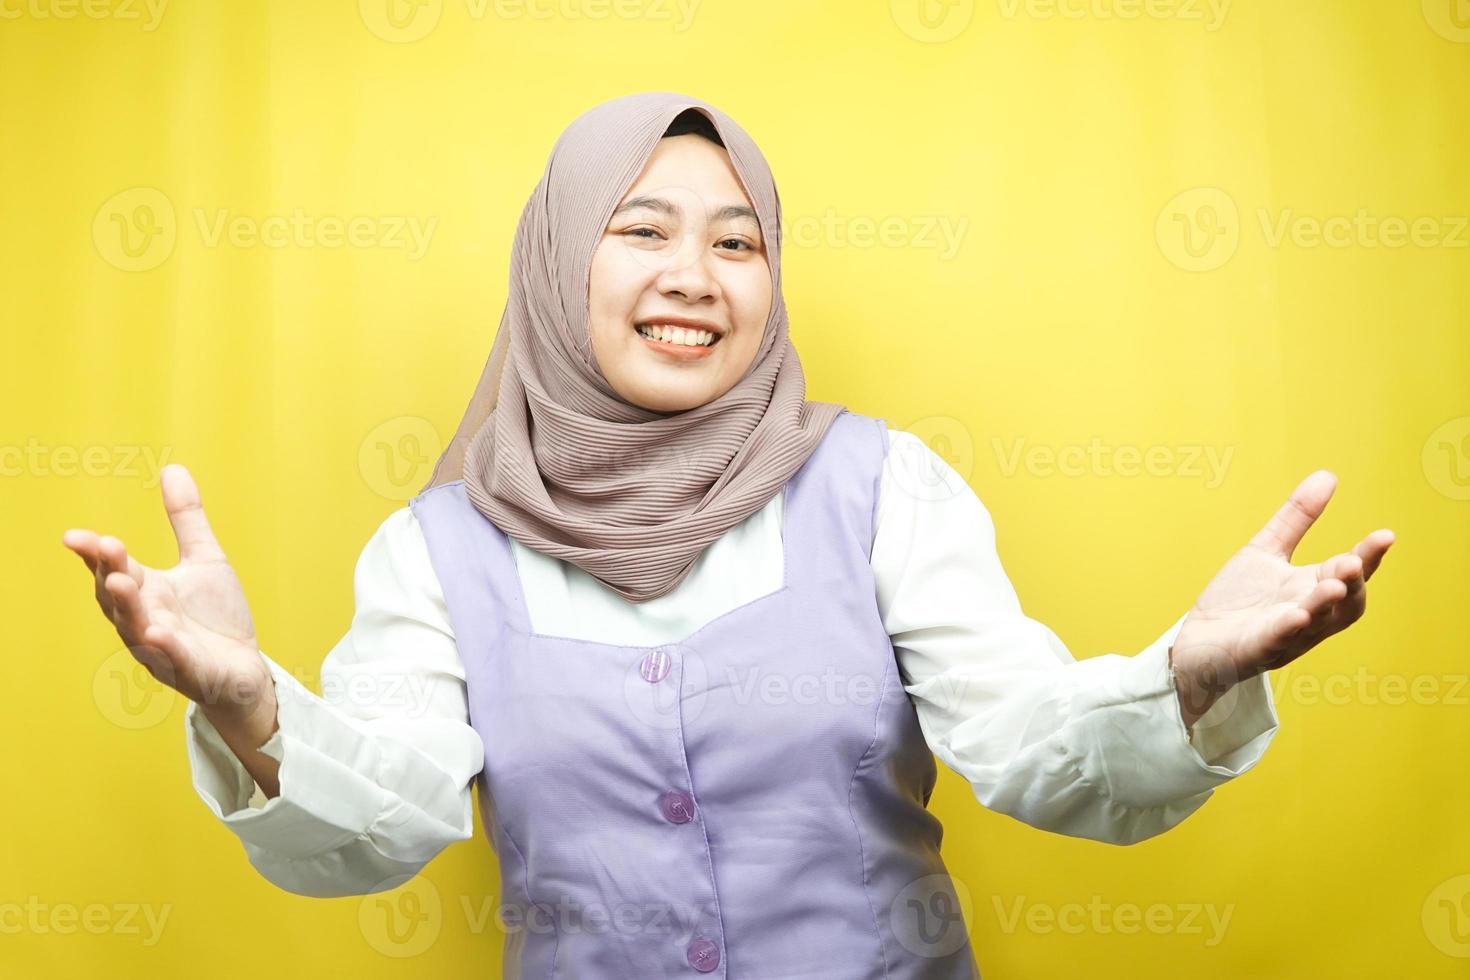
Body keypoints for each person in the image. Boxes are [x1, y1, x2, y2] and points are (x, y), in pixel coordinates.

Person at [63, 92, 1395, 977]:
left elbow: (1036, 754)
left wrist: (1192, 674)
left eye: (737, 242)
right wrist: (252, 709)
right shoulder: (437, 547)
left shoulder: (883, 487)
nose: (694, 277)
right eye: (637, 231)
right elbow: (388, 820)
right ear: (554, 265)